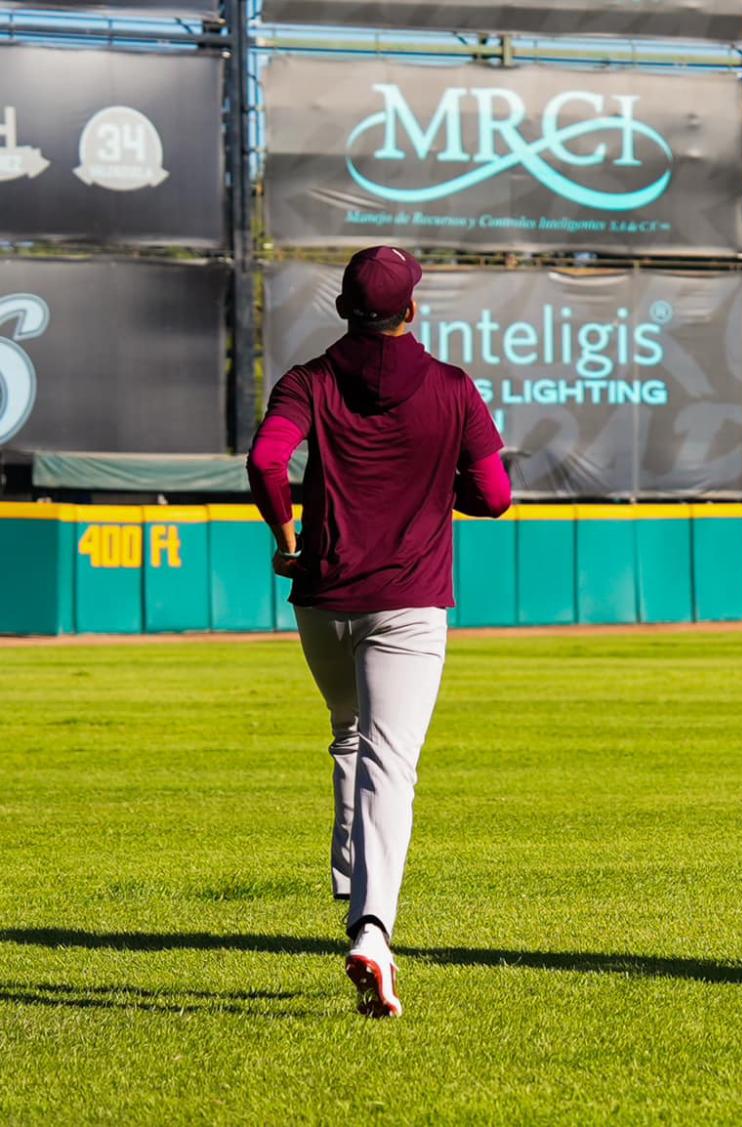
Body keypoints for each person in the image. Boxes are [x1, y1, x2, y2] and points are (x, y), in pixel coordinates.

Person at [245, 246, 510, 1018]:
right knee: (389, 764)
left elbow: (266, 460)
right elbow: (495, 495)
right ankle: (371, 929)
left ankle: (349, 881)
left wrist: (286, 537)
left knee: (348, 732)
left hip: (324, 596)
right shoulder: (453, 388)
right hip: (408, 601)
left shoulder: (310, 380)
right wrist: (438, 485)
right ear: (411, 310)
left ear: (343, 309)